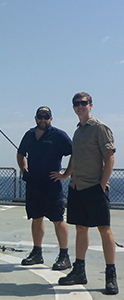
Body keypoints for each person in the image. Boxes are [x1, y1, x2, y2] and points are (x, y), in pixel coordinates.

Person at [58, 92, 119, 295]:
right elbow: (75, 156)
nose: (79, 106)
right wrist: (67, 174)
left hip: (94, 188)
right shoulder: (78, 131)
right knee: (81, 229)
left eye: (83, 103)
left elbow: (109, 157)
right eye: (76, 104)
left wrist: (102, 185)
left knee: (104, 229)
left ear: (91, 105)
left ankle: (110, 275)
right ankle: (79, 271)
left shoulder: (100, 128)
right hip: (77, 187)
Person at [17, 106, 72, 270]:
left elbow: (75, 153)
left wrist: (66, 174)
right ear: (35, 119)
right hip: (34, 184)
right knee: (36, 217)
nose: (43, 120)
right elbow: (21, 154)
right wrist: (24, 170)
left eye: (46, 117)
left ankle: (64, 256)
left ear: (51, 119)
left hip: (51, 185)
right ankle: (37, 253)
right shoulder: (29, 135)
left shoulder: (59, 135)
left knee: (58, 219)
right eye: (40, 117)